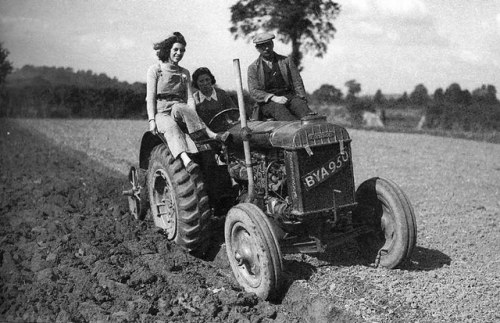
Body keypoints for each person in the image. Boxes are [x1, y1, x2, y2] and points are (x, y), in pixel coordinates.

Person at [146, 32, 228, 174]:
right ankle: (186, 160)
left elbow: (190, 98)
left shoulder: (184, 73)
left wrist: (191, 113)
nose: (179, 53)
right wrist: (152, 120)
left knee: (182, 107)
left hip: (178, 108)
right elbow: (150, 97)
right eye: (176, 50)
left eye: (182, 50)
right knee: (171, 127)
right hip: (162, 112)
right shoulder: (155, 70)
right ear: (168, 50)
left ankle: (212, 135)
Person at [247, 32, 313, 121]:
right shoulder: (253, 68)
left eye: (269, 44)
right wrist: (273, 97)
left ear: (272, 44)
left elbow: (297, 82)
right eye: (262, 46)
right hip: (269, 103)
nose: (266, 48)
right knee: (287, 118)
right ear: (257, 48)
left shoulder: (286, 61)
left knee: (308, 115)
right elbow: (254, 91)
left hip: (289, 97)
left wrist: (302, 100)